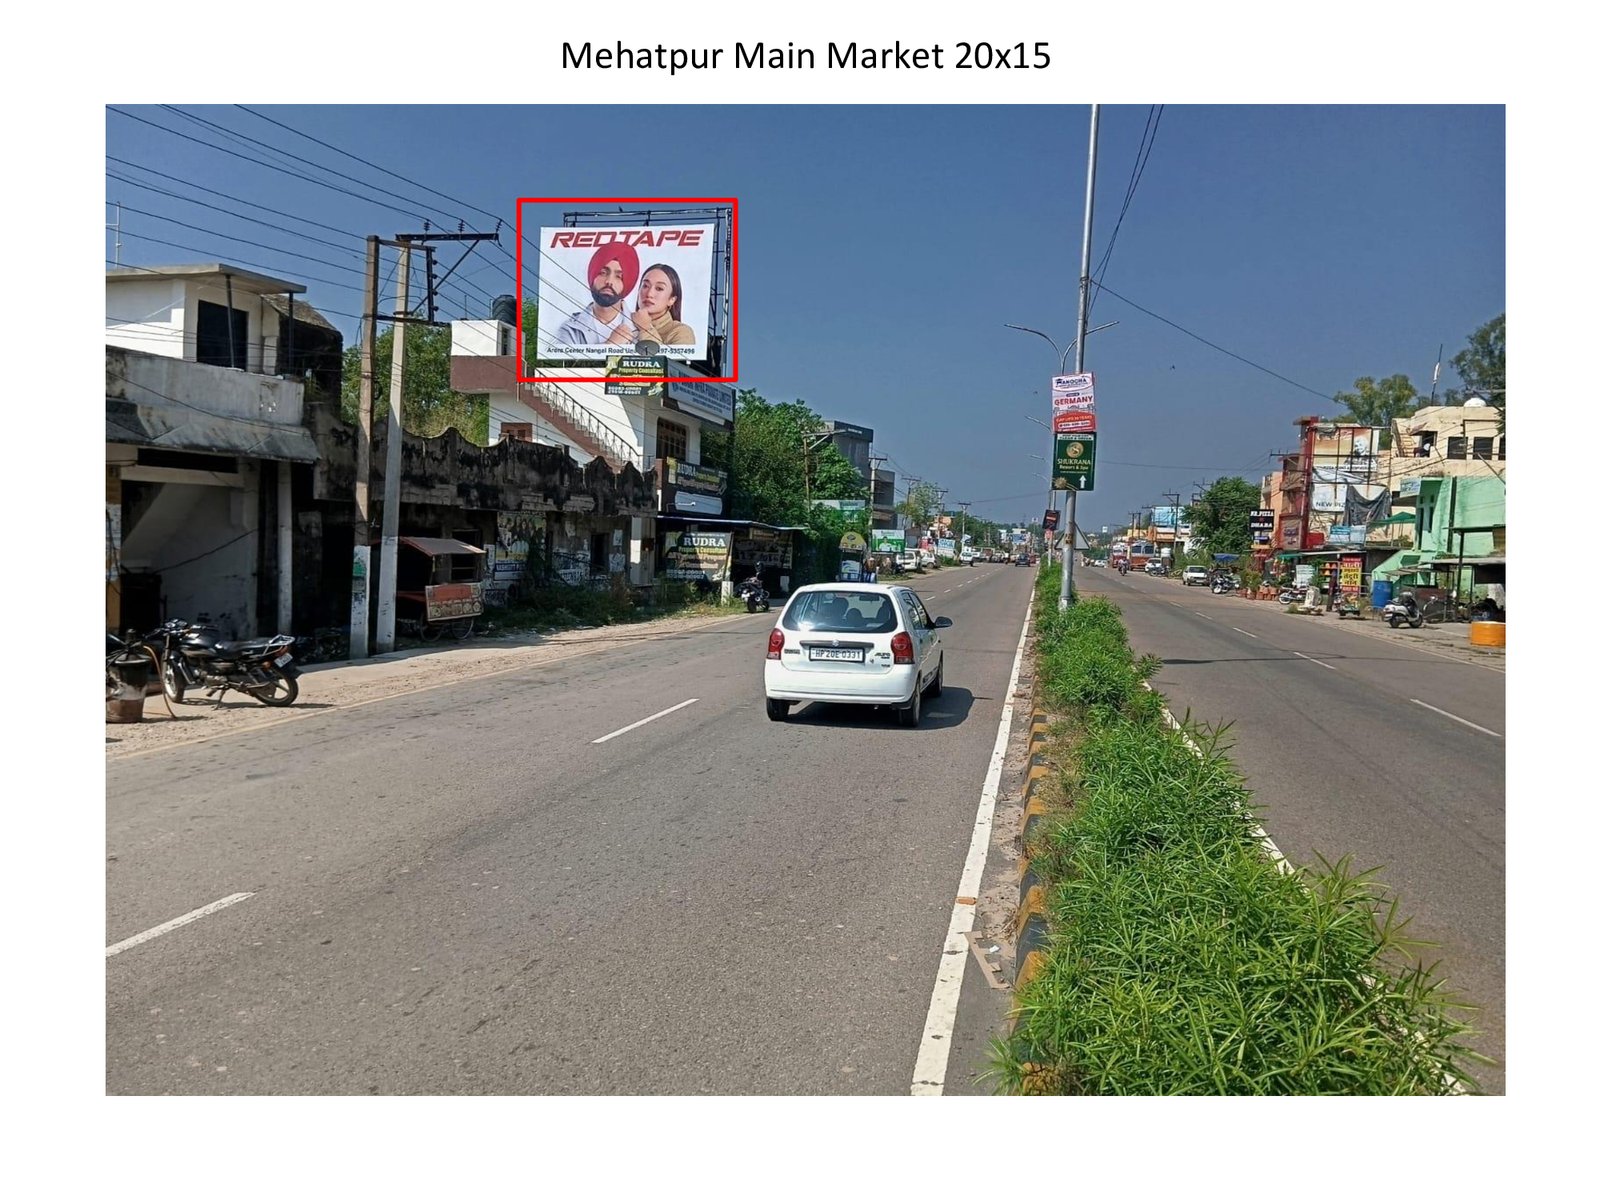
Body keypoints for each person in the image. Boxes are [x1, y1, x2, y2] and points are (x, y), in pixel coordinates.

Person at [554, 242, 641, 346]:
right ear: (593, 276)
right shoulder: (570, 329)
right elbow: (565, 362)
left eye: (618, 276)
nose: (609, 281)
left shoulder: (640, 328)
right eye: (603, 273)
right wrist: (610, 345)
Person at [622, 263, 696, 347]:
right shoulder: (622, 322)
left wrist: (646, 328)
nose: (649, 294)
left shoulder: (681, 332)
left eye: (659, 288)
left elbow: (662, 360)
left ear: (672, 300)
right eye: (645, 286)